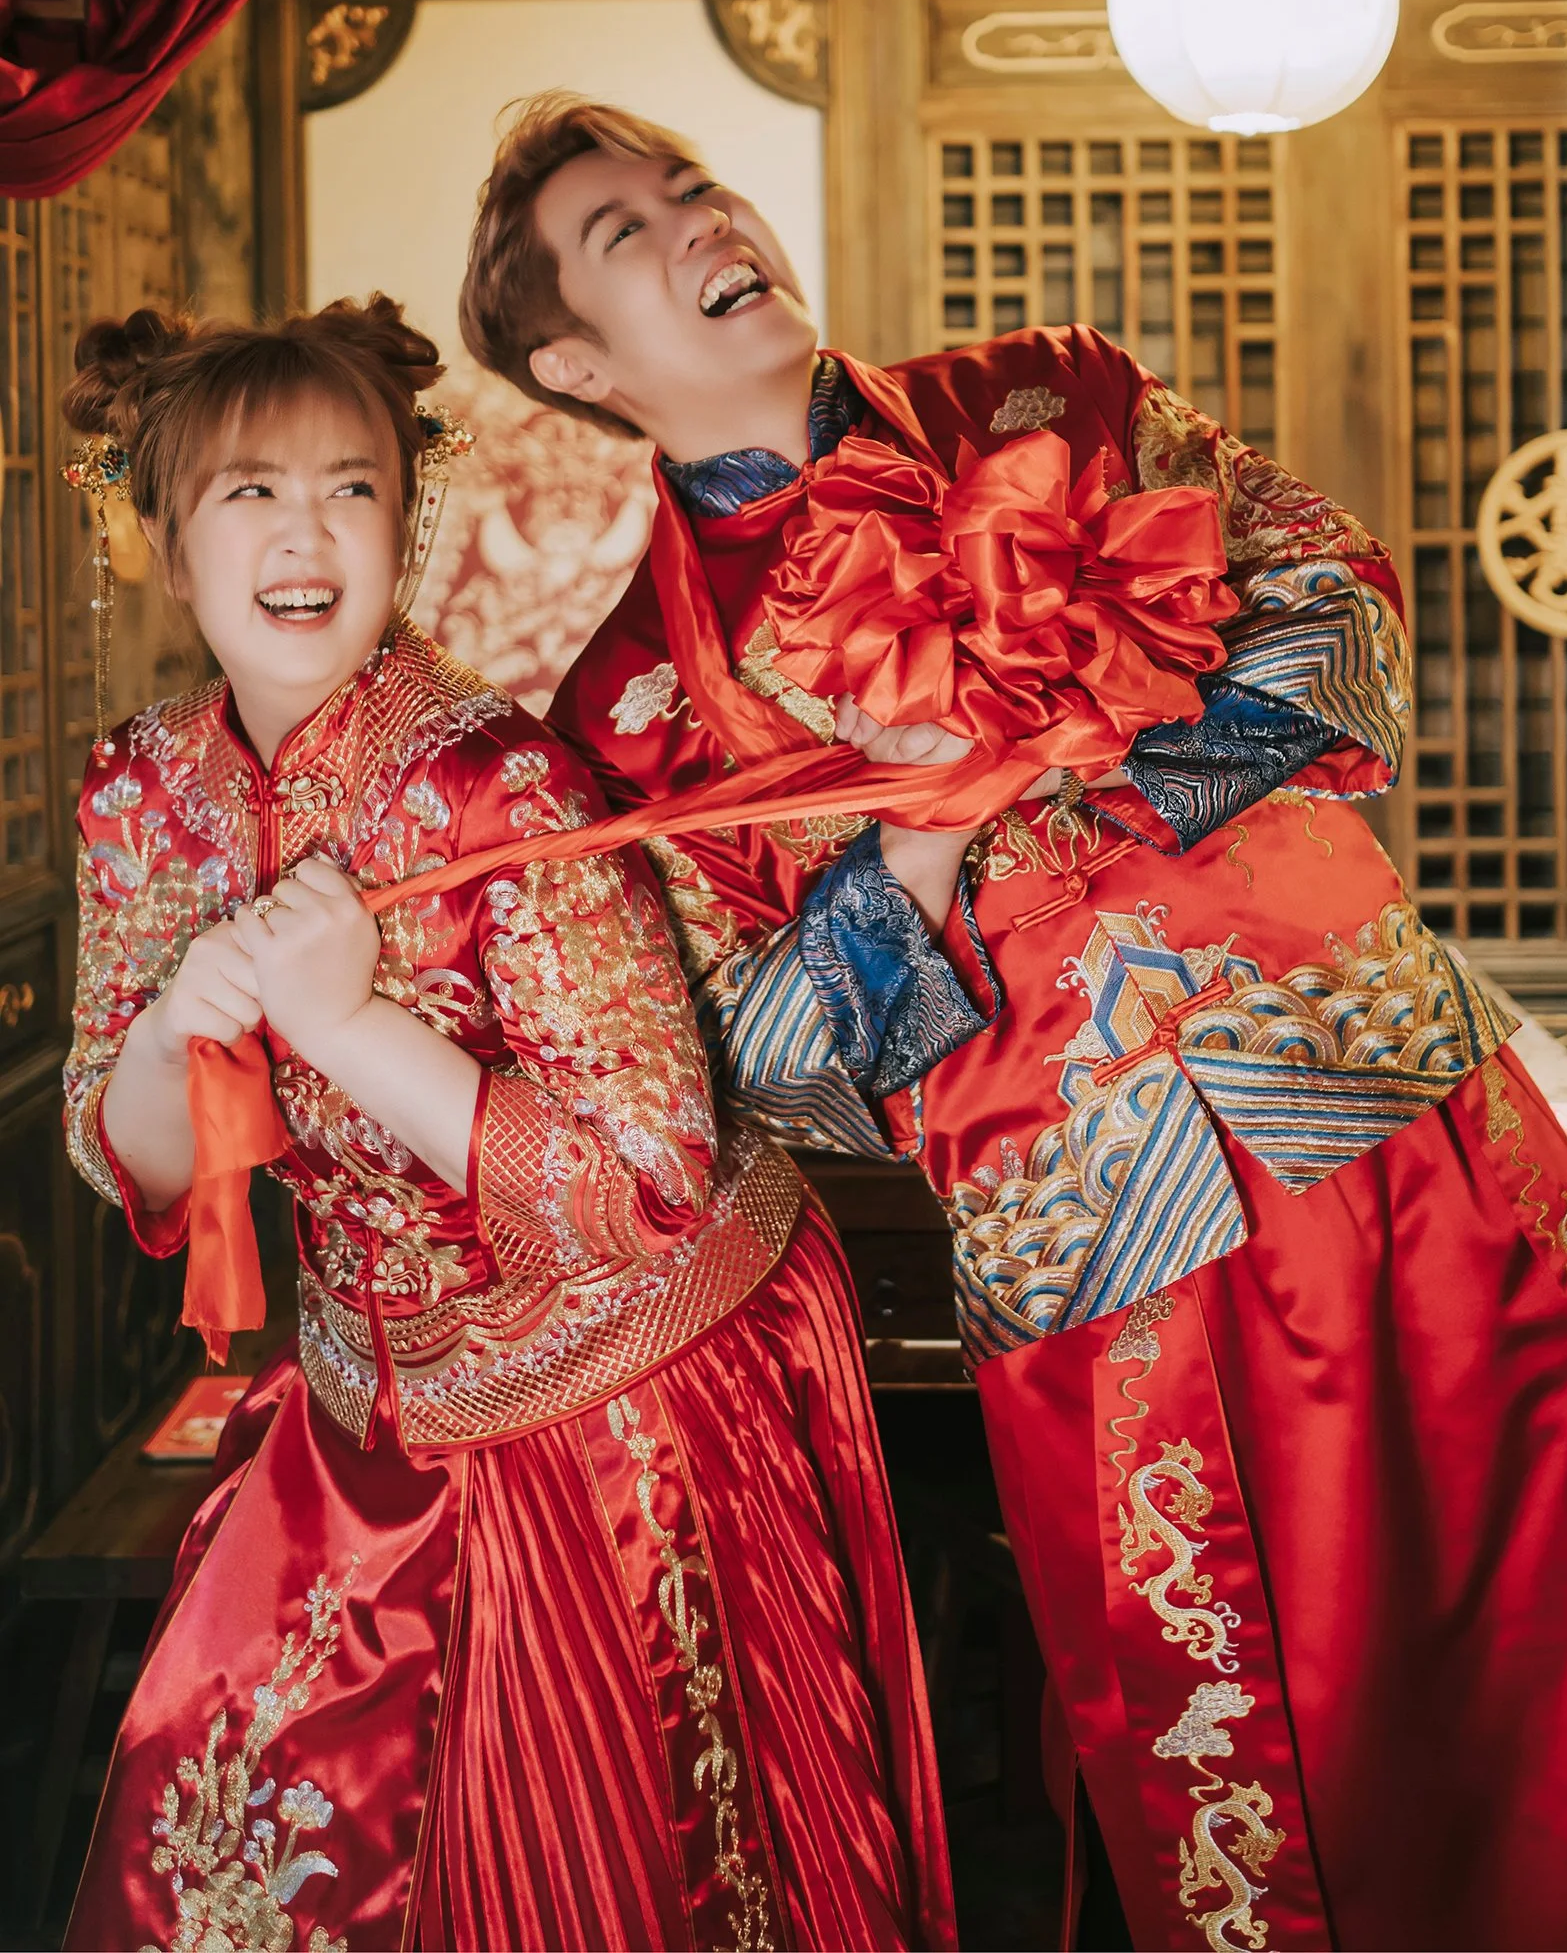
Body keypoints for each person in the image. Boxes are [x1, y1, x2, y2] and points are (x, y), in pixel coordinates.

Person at [462, 92, 1567, 1953]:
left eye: (693, 186)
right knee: (1247, 1716)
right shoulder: (631, 706)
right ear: (571, 359)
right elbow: (765, 1069)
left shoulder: (1049, 397)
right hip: (1096, 1234)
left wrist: (1084, 755)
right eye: (627, 233)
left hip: (1374, 1088)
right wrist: (919, 841)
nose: (699, 225)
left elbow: (1335, 598)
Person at [58, 296, 955, 1953]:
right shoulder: (139, 788)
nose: (306, 531)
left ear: (405, 525)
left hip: (630, 1373)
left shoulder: (494, 786)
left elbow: (651, 1182)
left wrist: (342, 1023)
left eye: (352, 487)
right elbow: (129, 1158)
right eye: (249, 492)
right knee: (223, 1790)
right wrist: (180, 1024)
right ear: (164, 542)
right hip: (365, 1390)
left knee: (597, 1866)